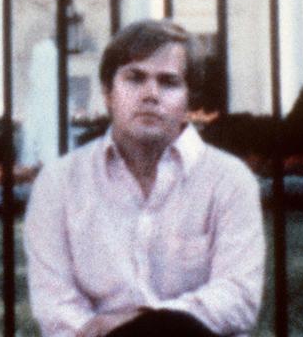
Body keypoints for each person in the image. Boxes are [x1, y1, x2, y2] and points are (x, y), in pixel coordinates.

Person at [24, 19, 264, 337]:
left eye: (168, 82)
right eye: (135, 78)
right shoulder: (58, 184)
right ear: (108, 93)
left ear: (189, 101)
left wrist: (140, 325)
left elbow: (237, 298)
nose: (151, 94)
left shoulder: (229, 180)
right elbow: (55, 305)